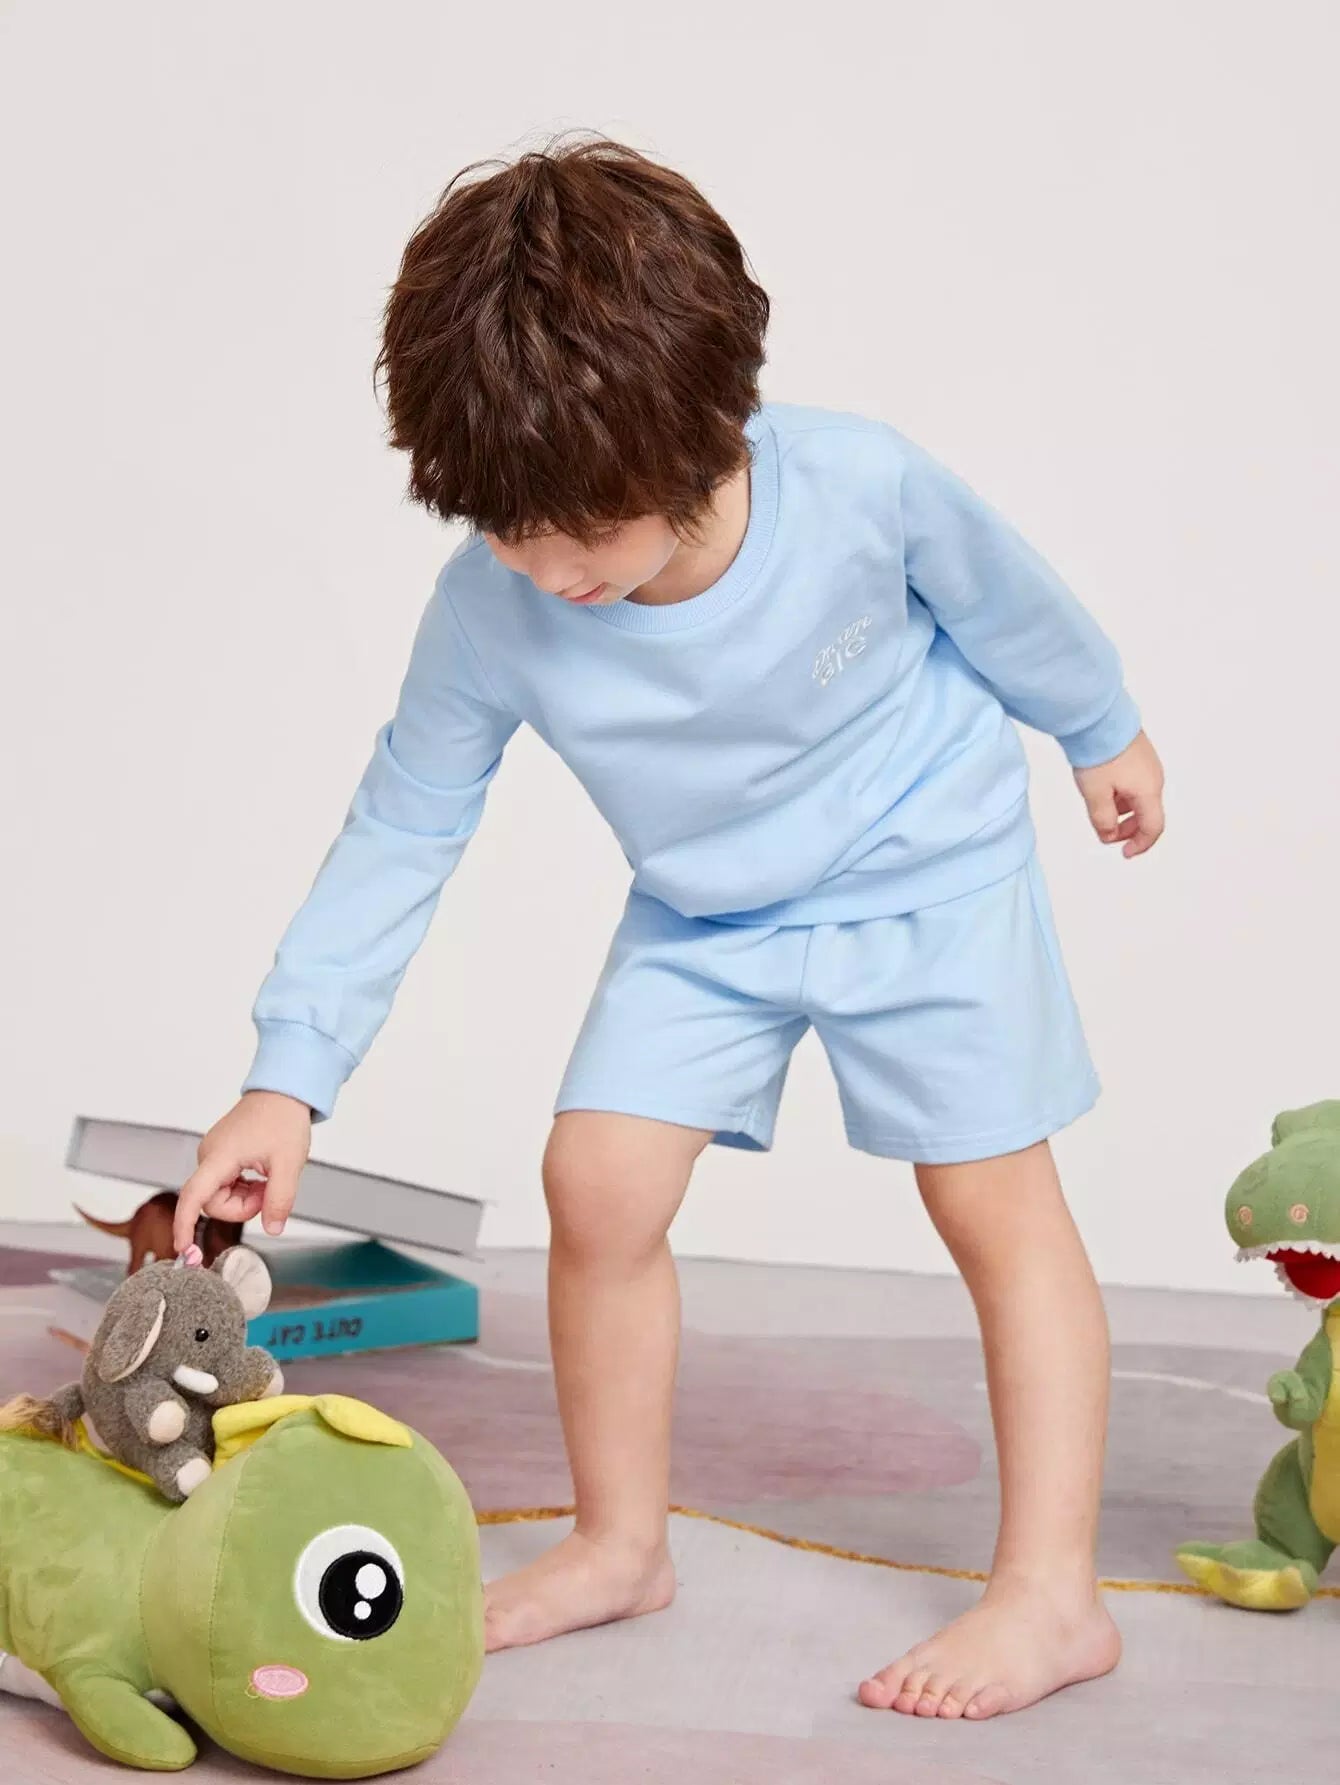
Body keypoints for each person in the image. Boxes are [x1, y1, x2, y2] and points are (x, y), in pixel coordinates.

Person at [173, 138, 1165, 1722]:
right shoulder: (494, 601)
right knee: (597, 1177)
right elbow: (405, 823)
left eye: (577, 528)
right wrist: (287, 1076)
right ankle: (620, 1541)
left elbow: (1008, 599)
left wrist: (1100, 727)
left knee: (994, 1198)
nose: (540, 567)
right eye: (506, 527)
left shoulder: (860, 484)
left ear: (704, 437)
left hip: (928, 869)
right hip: (709, 910)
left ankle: (1054, 1593)